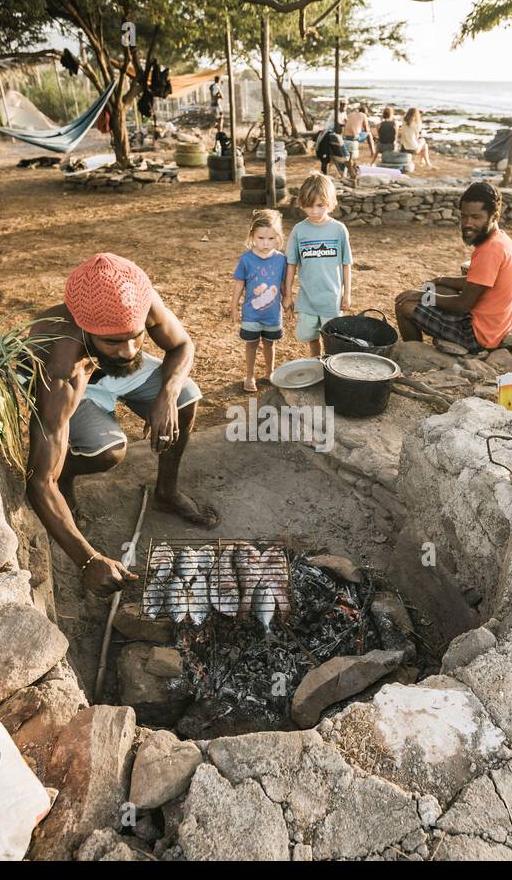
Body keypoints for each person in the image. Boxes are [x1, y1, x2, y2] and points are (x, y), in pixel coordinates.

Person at [27, 253, 219, 598]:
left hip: (108, 371)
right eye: (113, 341)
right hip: (80, 383)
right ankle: (67, 474)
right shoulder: (61, 365)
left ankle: (166, 493)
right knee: (106, 451)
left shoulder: (137, 302)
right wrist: (88, 561)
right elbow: (37, 482)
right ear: (86, 327)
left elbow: (181, 344)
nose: (129, 351)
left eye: (136, 336)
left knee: (186, 397)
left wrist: (166, 397)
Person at [393, 181, 512, 354]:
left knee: (405, 304)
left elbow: (462, 305)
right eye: (464, 216)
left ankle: (416, 355)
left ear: (495, 216)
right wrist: (440, 280)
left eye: (476, 217)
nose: (467, 223)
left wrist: (423, 295)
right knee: (439, 288)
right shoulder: (499, 239)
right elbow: (479, 280)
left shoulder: (490, 250)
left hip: (477, 337)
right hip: (493, 326)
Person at [284, 174, 353, 358]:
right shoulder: (299, 230)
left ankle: (331, 368)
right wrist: (288, 295)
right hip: (307, 300)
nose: (314, 211)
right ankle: (315, 363)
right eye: (308, 205)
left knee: (332, 338)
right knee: (310, 336)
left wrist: (347, 294)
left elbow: (346, 264)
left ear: (330, 202)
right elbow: (291, 264)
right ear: (301, 203)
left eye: (319, 205)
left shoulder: (338, 230)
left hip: (331, 299)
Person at [231, 210, 287, 392]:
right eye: (261, 238)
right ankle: (249, 376)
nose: (266, 243)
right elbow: (239, 285)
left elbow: (283, 284)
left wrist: (288, 299)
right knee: (251, 345)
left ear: (278, 238)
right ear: (252, 236)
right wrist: (233, 307)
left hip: (272, 315)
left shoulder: (281, 260)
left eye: (271, 239)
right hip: (251, 314)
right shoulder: (246, 259)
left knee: (270, 344)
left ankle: (270, 373)